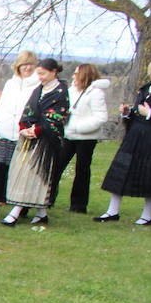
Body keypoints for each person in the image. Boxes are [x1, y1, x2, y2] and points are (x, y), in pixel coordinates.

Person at [3, 58, 71, 227]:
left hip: (47, 141)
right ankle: (41, 213)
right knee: (25, 172)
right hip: (29, 139)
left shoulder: (61, 92)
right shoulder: (37, 90)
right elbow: (28, 110)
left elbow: (58, 117)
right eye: (38, 73)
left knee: (37, 175)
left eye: (42, 73)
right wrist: (24, 127)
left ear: (53, 71)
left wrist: (39, 130)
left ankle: (16, 212)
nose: (39, 77)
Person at [96, 59, 151, 224]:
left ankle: (148, 215)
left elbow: (146, 112)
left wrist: (149, 114)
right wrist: (128, 113)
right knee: (120, 172)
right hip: (134, 136)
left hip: (150, 140)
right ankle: (112, 211)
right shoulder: (144, 89)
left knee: (148, 176)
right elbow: (137, 112)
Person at [0, 50, 39, 217]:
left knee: (23, 173)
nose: (27, 68)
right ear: (18, 66)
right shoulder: (11, 83)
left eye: (30, 64)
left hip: (25, 132)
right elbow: (3, 105)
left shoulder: (37, 85)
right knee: (0, 170)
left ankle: (22, 208)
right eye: (24, 64)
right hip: (6, 131)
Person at [57, 64, 109, 215]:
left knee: (82, 169)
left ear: (84, 75)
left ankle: (79, 205)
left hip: (86, 137)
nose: (73, 76)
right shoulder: (71, 90)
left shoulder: (96, 93)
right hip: (68, 135)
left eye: (76, 73)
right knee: (58, 165)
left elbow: (100, 117)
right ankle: (48, 198)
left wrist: (78, 127)